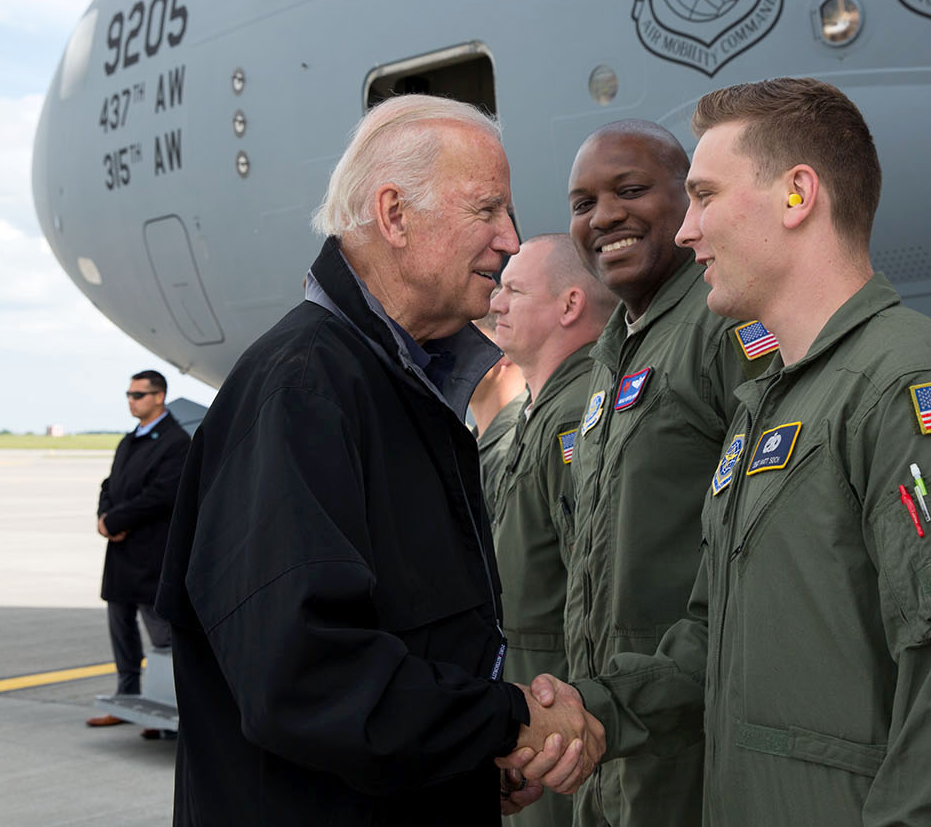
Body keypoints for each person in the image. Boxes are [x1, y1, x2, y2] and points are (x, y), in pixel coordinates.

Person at [513, 79, 931, 824]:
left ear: (797, 196)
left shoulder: (909, 389)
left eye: (705, 196)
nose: (688, 231)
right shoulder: (771, 403)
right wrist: (596, 710)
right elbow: (709, 641)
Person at [155, 95, 600, 825]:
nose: (510, 239)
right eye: (487, 210)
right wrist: (506, 721)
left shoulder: (391, 387)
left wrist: (461, 769)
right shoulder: (302, 390)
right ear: (394, 215)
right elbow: (305, 677)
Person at [556, 119, 776, 826]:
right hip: (614, 737)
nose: (605, 217)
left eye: (630, 190)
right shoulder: (613, 350)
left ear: (686, 201)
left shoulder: (722, 327)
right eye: (583, 204)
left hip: (692, 740)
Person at [484, 233, 615, 827]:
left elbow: (590, 587)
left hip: (558, 701)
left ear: (568, 306)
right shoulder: (537, 413)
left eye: (514, 290)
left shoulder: (576, 415)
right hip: (525, 695)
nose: (495, 303)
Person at [88, 369, 188, 731]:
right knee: (121, 631)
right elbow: (109, 483)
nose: (132, 401)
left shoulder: (175, 442)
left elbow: (162, 495)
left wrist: (115, 521)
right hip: (121, 553)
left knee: (162, 638)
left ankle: (165, 709)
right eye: (129, 395)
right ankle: (127, 700)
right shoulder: (132, 440)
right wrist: (104, 515)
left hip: (150, 554)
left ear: (158, 397)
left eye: (138, 395)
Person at [472, 312, 529, 506]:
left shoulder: (514, 447)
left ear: (502, 348)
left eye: (466, 342)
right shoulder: (473, 445)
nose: (451, 354)